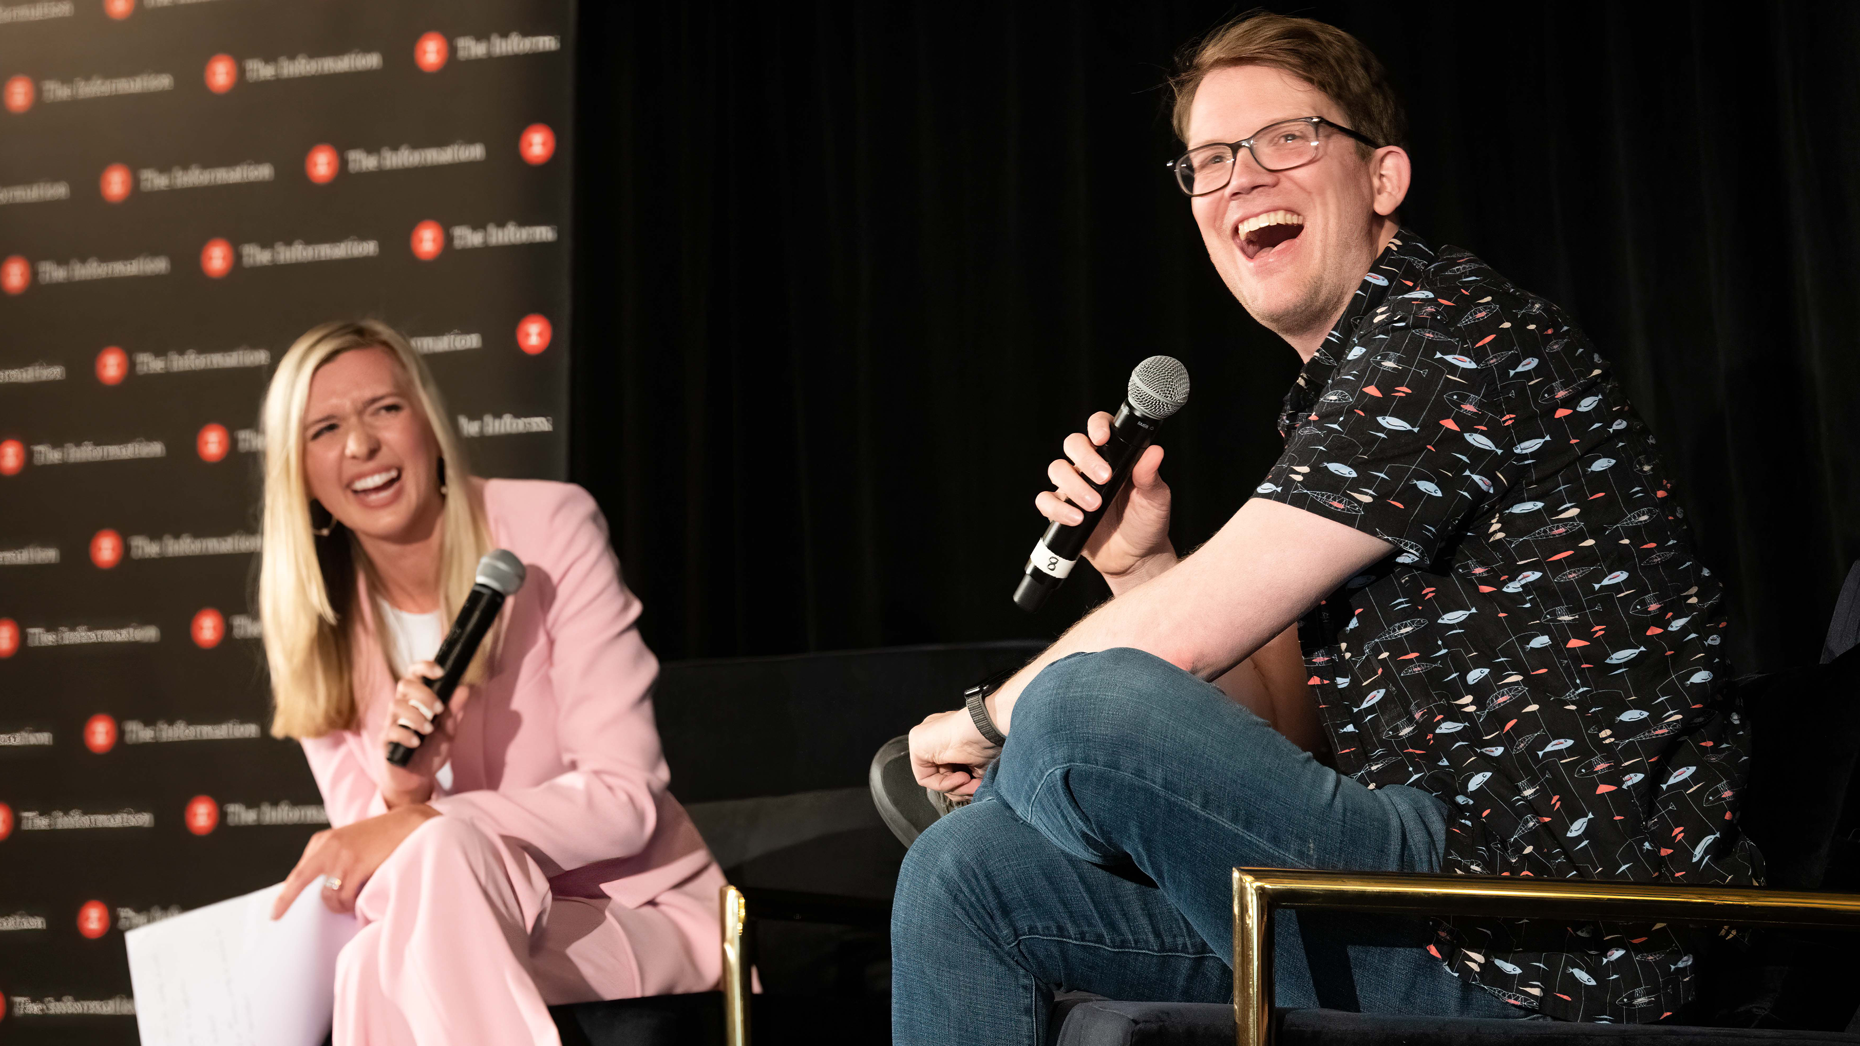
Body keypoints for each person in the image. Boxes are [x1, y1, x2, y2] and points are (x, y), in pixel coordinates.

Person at [889, 11, 1759, 1042]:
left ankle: (1021, 777)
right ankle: (1023, 793)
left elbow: (1164, 660)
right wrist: (1141, 565)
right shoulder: (1330, 398)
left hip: (1551, 931)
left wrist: (977, 725)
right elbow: (1285, 731)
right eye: (1210, 160)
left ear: (1382, 178)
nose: (1243, 178)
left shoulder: (1448, 333)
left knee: (1085, 706)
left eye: (1286, 139)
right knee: (964, 873)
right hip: (1416, 895)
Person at [257, 320, 724, 1045]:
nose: (361, 445)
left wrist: (431, 823)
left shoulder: (546, 525)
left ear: (428, 420)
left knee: (407, 918)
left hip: (632, 914)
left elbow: (625, 799)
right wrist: (404, 797)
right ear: (301, 472)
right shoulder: (313, 623)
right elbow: (370, 876)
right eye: (325, 428)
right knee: (385, 944)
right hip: (450, 923)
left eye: (384, 408)